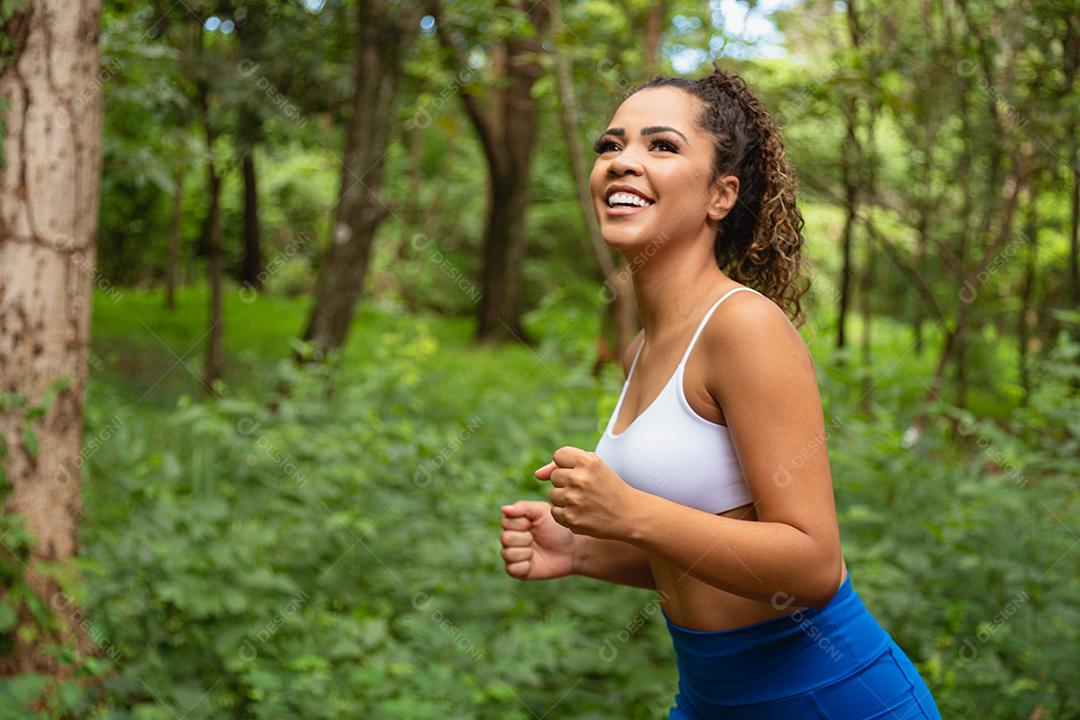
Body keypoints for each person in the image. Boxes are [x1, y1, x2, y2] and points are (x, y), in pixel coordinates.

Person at [499, 62, 942, 719]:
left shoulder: (743, 327)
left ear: (720, 195)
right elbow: (704, 553)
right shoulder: (642, 350)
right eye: (611, 145)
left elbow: (812, 566)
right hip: (711, 698)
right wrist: (587, 549)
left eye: (662, 145)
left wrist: (630, 514)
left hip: (829, 697)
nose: (623, 161)